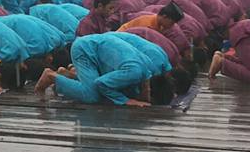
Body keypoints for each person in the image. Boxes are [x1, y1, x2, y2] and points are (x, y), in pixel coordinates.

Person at [34, 33, 168, 107]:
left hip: (98, 47)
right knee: (92, 96)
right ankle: (51, 76)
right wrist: (126, 101)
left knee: (115, 89)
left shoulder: (148, 70)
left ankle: (67, 75)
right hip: (85, 49)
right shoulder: (135, 72)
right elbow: (101, 83)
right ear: (150, 92)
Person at [118, 1, 185, 34]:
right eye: (172, 23)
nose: (172, 26)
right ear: (165, 17)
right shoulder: (147, 25)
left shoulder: (160, 25)